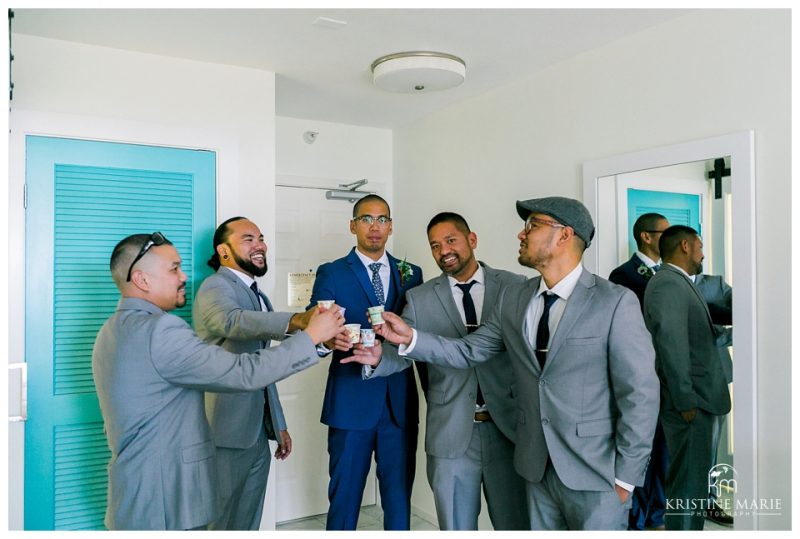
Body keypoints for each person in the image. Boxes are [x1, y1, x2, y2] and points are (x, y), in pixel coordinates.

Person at [359, 197, 660, 530]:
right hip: (535, 469)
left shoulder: (614, 302)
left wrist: (627, 478)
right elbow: (467, 351)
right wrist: (410, 338)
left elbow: (640, 394)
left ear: (564, 235)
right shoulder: (518, 299)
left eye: (532, 226)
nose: (521, 234)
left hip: (595, 472)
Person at [92, 232, 343, 530]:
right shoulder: (161, 330)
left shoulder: (111, 329)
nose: (184, 276)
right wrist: (311, 335)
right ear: (142, 280)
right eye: (174, 269)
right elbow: (242, 370)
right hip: (166, 497)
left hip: (136, 491)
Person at [349, 212, 529, 530]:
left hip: (510, 429)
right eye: (434, 245)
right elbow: (404, 351)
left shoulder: (515, 287)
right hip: (451, 435)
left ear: (471, 240)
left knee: (516, 525)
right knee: (455, 526)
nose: (443, 250)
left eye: (450, 240)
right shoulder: (419, 298)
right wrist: (378, 358)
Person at [192, 217, 339, 530]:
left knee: (248, 519)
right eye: (248, 239)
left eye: (261, 238)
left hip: (257, 432)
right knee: (219, 521)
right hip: (224, 432)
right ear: (224, 250)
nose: (260, 245)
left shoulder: (258, 294)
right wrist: (300, 320)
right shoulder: (214, 286)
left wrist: (277, 423)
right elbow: (231, 322)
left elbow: (264, 364)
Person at [307, 194, 424, 530]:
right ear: (352, 225)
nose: (375, 227)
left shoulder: (411, 273)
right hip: (350, 399)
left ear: (391, 226)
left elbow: (417, 333)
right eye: (367, 219)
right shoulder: (331, 272)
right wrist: (330, 340)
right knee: (344, 499)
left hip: (398, 404)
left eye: (383, 219)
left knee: (399, 498)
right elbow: (317, 328)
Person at [643, 225, 731, 530]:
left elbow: (691, 337)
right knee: (689, 487)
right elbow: (671, 344)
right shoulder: (668, 284)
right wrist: (685, 400)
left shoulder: (678, 282)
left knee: (692, 483)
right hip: (692, 403)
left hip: (699, 399)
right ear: (685, 246)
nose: (703, 253)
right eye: (700, 247)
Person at [608, 212, 670, 530]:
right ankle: (637, 520)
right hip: (643, 377)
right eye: (665, 232)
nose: (672, 238)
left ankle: (658, 515)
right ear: (646, 236)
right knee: (642, 449)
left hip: (672, 380)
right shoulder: (623, 276)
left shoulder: (676, 274)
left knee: (664, 454)